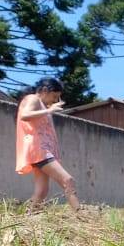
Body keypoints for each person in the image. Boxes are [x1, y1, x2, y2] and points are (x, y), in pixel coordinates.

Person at [15, 77, 82, 212]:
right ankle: (80, 213)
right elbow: (25, 115)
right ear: (45, 91)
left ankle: (29, 217)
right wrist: (49, 111)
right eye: (54, 97)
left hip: (41, 150)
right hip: (39, 150)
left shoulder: (42, 105)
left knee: (42, 190)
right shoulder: (33, 99)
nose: (54, 101)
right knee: (67, 180)